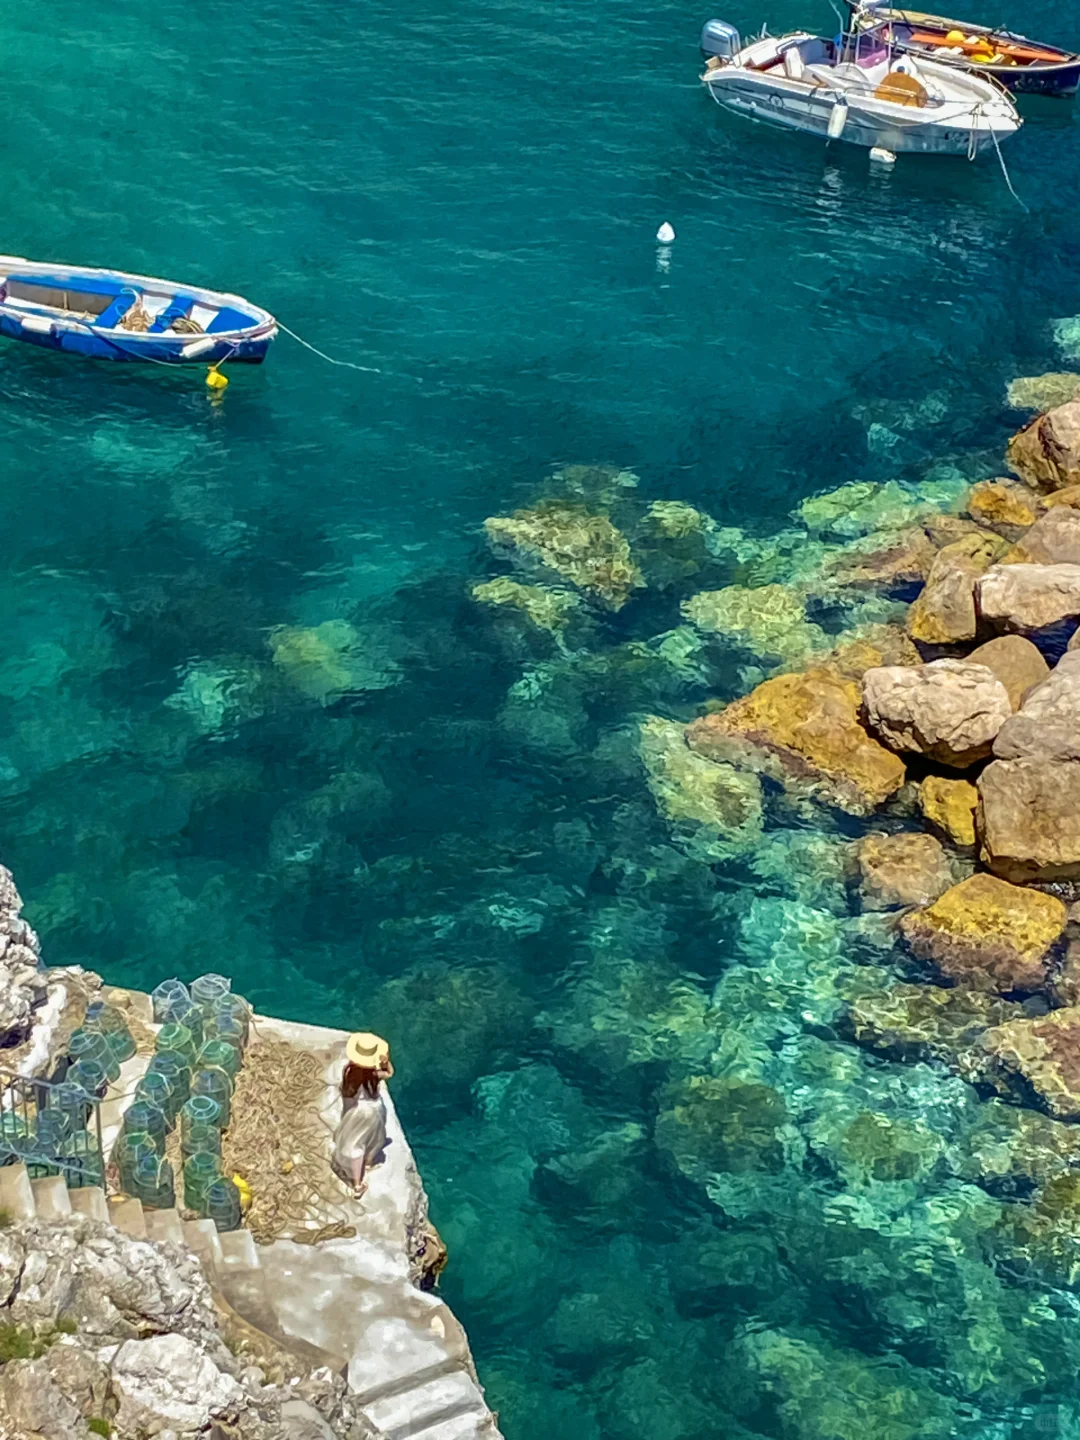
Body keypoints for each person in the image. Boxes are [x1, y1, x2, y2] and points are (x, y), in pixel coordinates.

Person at [331, 1033, 393, 1198]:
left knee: (354, 1143)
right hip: (374, 1109)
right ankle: (367, 1164)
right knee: (372, 1137)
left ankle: (357, 1183)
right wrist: (386, 1063)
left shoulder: (348, 1072)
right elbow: (390, 1073)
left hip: (358, 1111)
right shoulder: (374, 1075)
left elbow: (346, 1095)